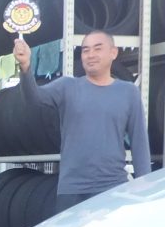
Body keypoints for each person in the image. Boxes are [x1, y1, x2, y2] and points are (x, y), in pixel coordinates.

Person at [14, 30, 150, 213]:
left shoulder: (129, 92)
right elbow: (34, 99)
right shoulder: (67, 86)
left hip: (113, 186)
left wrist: (144, 182)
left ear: (113, 52)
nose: (90, 55)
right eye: (86, 50)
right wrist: (25, 67)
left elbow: (139, 141)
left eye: (97, 48)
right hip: (72, 189)